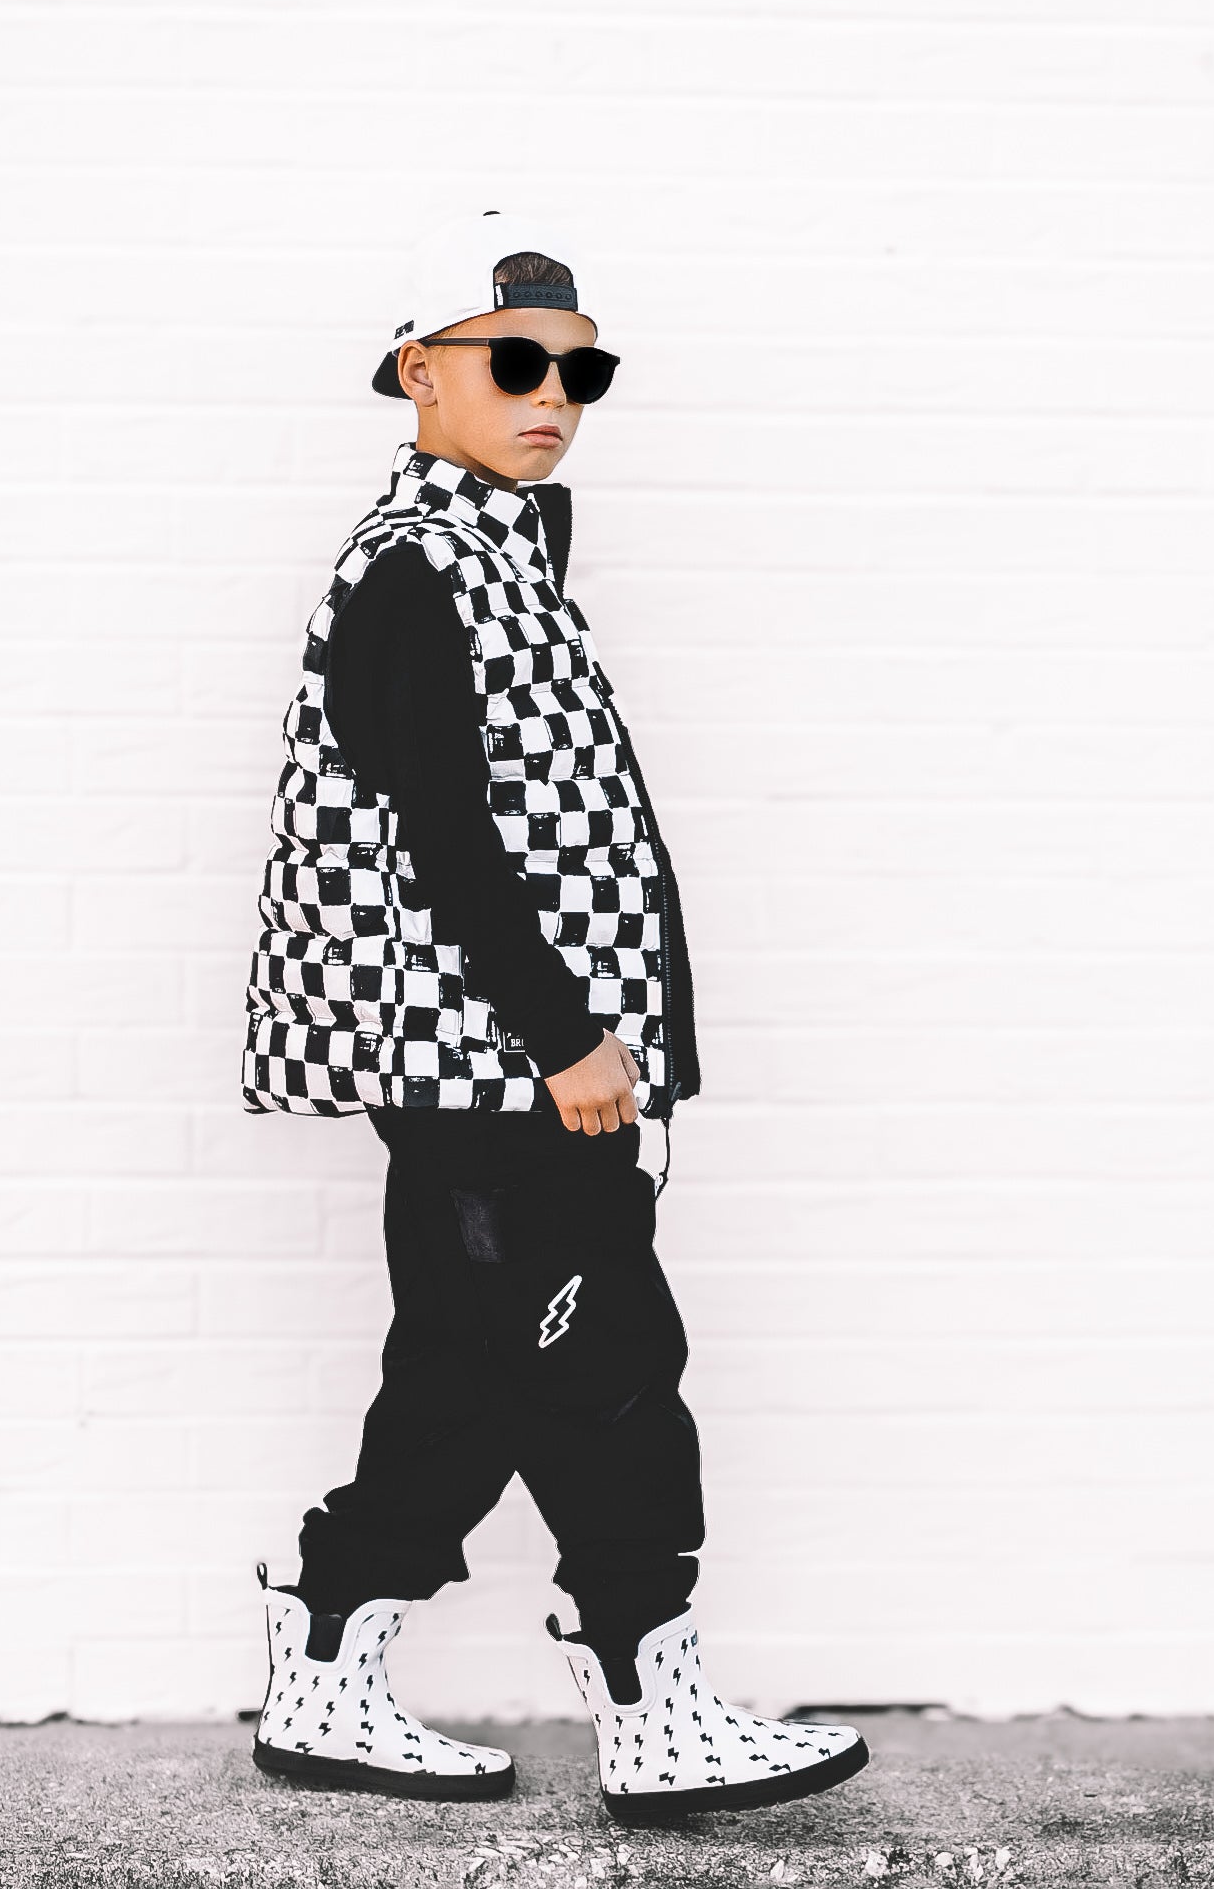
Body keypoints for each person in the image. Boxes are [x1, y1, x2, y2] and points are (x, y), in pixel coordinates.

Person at [238, 209, 869, 1823]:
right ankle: (657, 1714)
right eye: (514, 363)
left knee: (469, 1376)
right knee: (609, 1370)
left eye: (580, 372)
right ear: (418, 373)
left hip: (505, 1070)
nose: (552, 397)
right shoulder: (414, 568)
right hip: (497, 1073)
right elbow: (444, 836)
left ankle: (327, 1667)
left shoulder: (498, 551)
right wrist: (567, 1038)